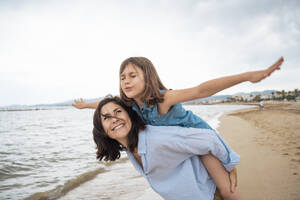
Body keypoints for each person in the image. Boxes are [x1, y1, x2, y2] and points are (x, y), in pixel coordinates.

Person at [73, 56, 284, 199]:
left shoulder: (163, 99)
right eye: (122, 77)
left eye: (132, 75)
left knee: (228, 191)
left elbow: (202, 90)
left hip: (202, 140)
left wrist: (248, 77)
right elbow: (106, 105)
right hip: (183, 146)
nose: (126, 81)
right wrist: (85, 106)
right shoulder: (130, 106)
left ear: (149, 77)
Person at [93, 96, 241, 200]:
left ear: (129, 115)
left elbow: (209, 139)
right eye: (106, 117)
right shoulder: (131, 148)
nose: (114, 119)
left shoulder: (155, 138)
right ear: (102, 129)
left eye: (118, 111)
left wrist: (230, 165)